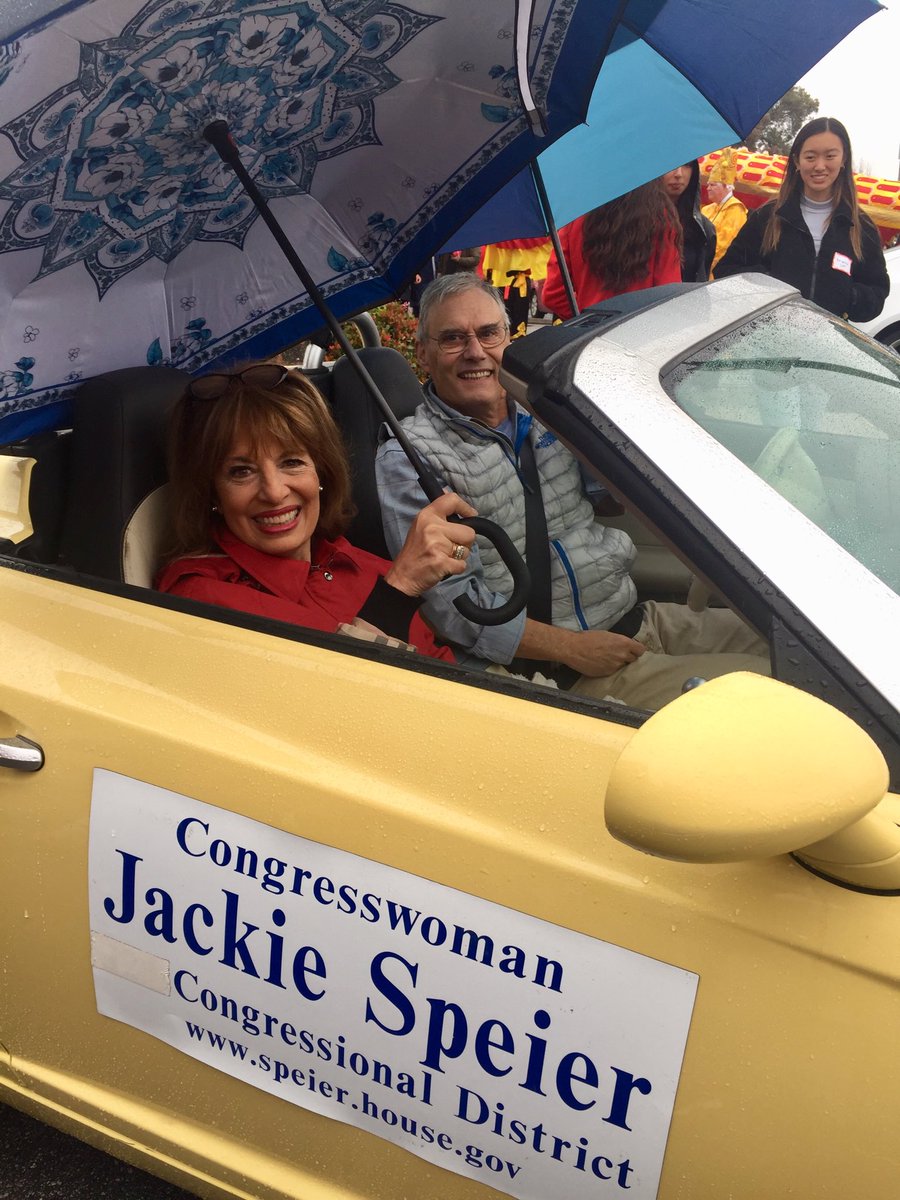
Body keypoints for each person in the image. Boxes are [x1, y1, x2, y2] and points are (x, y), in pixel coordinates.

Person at [375, 273, 769, 709]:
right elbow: (454, 609)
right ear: (423, 354)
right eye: (453, 338)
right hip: (565, 669)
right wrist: (571, 649)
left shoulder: (548, 405)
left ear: (509, 337)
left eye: (488, 333)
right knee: (771, 691)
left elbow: (612, 499)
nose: (475, 351)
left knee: (792, 651)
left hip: (632, 618)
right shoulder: (412, 458)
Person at [157, 363, 477, 662]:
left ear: (321, 471)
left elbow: (442, 666)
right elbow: (329, 695)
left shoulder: (357, 565)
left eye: (291, 462)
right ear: (212, 491)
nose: (274, 492)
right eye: (241, 471)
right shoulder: (201, 600)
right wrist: (398, 592)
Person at [716, 117, 889, 321]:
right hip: (768, 333)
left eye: (830, 156)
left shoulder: (861, 226)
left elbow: (877, 292)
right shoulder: (768, 217)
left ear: (843, 159)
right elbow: (726, 271)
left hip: (828, 337)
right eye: (810, 157)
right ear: (797, 161)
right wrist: (768, 283)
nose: (820, 166)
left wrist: (847, 295)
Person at [541, 182, 682, 320]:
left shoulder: (576, 215)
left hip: (592, 329)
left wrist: (586, 318)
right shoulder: (661, 217)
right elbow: (668, 294)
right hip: (643, 329)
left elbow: (553, 294)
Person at [660, 160, 717, 281]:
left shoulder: (703, 229)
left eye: (687, 165)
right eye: (671, 164)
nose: (678, 174)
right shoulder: (634, 220)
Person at [700, 149, 747, 275]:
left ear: (727, 186)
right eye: (708, 185)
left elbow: (723, 247)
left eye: (713, 185)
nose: (708, 188)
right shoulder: (706, 209)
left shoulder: (736, 210)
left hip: (713, 272)